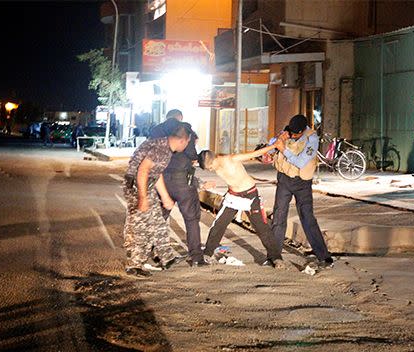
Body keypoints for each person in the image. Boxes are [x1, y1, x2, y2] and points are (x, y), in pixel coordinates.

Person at [197, 145, 289, 269]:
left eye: (210, 167)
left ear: (214, 160)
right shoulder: (215, 165)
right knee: (219, 224)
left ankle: (276, 257)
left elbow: (255, 153)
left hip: (250, 196)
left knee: (261, 227)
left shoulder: (232, 159)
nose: (211, 170)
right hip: (233, 197)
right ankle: (207, 253)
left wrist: (274, 145)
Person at [123, 123, 192, 277]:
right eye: (188, 142)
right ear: (182, 140)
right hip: (138, 186)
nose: (187, 146)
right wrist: (142, 198)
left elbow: (155, 173)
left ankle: (166, 257)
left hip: (147, 185)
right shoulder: (162, 149)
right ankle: (134, 265)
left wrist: (165, 196)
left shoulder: (164, 147)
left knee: (158, 222)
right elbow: (143, 171)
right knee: (143, 226)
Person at [270, 114, 334, 268]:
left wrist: (283, 148)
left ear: (303, 130)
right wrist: (279, 138)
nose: (293, 136)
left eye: (295, 134)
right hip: (284, 179)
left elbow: (300, 161)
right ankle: (273, 256)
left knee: (307, 217)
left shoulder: (312, 139)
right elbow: (271, 144)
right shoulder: (289, 131)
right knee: (279, 216)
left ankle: (324, 256)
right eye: (291, 133)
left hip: (302, 182)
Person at [149, 109, 210, 267]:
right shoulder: (185, 131)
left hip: (161, 180)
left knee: (160, 218)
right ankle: (196, 257)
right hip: (183, 181)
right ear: (180, 118)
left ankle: (158, 254)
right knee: (191, 219)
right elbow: (191, 155)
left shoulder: (156, 131)